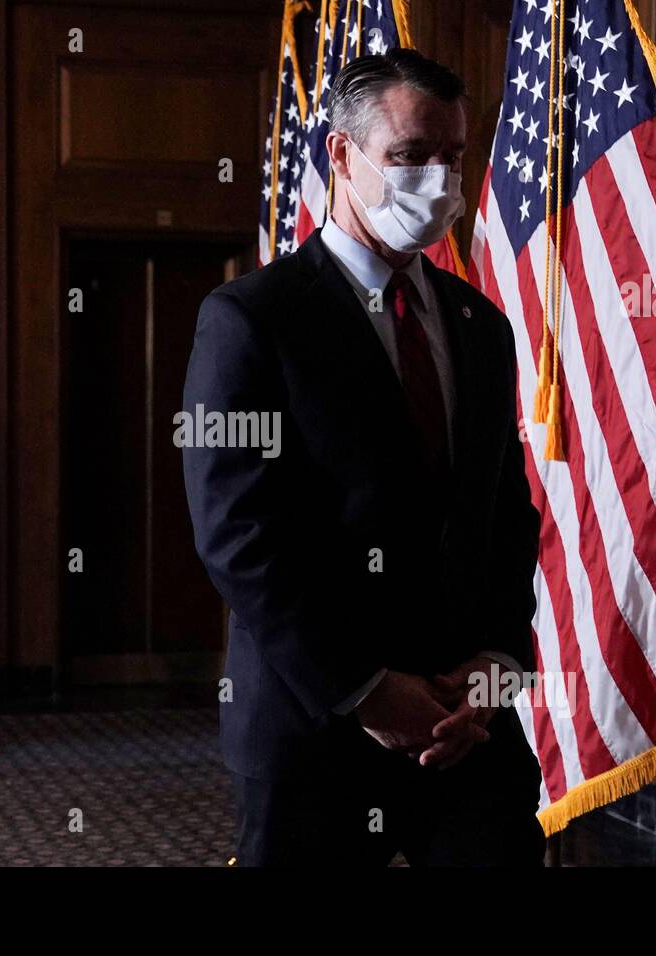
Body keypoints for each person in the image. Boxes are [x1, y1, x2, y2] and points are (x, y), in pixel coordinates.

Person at [181, 49, 545, 866]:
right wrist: (370, 690)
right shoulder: (250, 319)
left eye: (451, 156)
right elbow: (239, 535)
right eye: (410, 156)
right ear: (342, 156)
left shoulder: (481, 326)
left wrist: (493, 669)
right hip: (317, 730)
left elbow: (505, 514)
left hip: (468, 724)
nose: (437, 181)